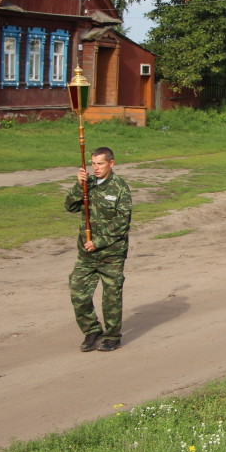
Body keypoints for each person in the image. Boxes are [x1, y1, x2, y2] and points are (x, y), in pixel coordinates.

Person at [64, 146, 132, 352]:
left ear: (111, 163)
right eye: (93, 164)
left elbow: (122, 222)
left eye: (100, 163)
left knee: (111, 295)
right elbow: (70, 206)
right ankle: (92, 330)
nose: (96, 168)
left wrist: (99, 241)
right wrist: (78, 185)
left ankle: (112, 335)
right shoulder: (88, 184)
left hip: (111, 253)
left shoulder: (120, 187)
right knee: (78, 291)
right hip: (87, 254)